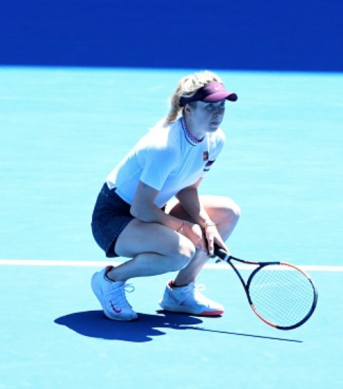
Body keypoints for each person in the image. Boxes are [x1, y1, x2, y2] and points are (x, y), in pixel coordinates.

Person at [90, 70, 241, 321]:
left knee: (227, 213)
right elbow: (140, 209)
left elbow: (187, 188)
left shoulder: (216, 140)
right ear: (188, 109)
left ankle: (180, 293)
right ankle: (109, 280)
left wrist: (206, 224)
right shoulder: (164, 147)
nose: (218, 113)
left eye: (222, 106)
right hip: (115, 218)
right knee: (180, 252)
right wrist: (184, 227)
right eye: (209, 107)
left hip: (153, 208)